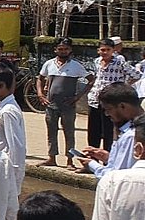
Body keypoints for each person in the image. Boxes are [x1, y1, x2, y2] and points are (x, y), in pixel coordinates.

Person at [37, 37, 94, 169]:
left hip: (68, 105)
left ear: (70, 50)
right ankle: (51, 157)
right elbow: (40, 78)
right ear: (55, 50)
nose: (63, 51)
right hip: (51, 104)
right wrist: (40, 95)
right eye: (60, 49)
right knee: (51, 131)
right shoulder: (49, 64)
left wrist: (77, 97)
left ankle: (69, 160)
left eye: (66, 49)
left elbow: (90, 80)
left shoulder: (76, 66)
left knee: (69, 132)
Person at [79, 82, 142, 178]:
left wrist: (92, 165)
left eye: (108, 109)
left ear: (122, 106)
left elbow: (116, 178)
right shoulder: (128, 131)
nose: (107, 114)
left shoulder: (131, 135)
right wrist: (108, 158)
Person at [89, 38, 142, 151]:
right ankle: (91, 160)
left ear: (113, 50)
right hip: (94, 99)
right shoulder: (97, 61)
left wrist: (122, 87)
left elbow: (136, 75)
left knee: (108, 131)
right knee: (93, 130)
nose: (105, 52)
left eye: (108, 50)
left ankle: (107, 160)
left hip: (112, 101)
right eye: (102, 50)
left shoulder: (119, 62)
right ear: (98, 50)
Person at [0, 66, 27, 192]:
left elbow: (16, 146)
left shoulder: (8, 111)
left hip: (4, 172)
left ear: (1, 85)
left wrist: (13, 177)